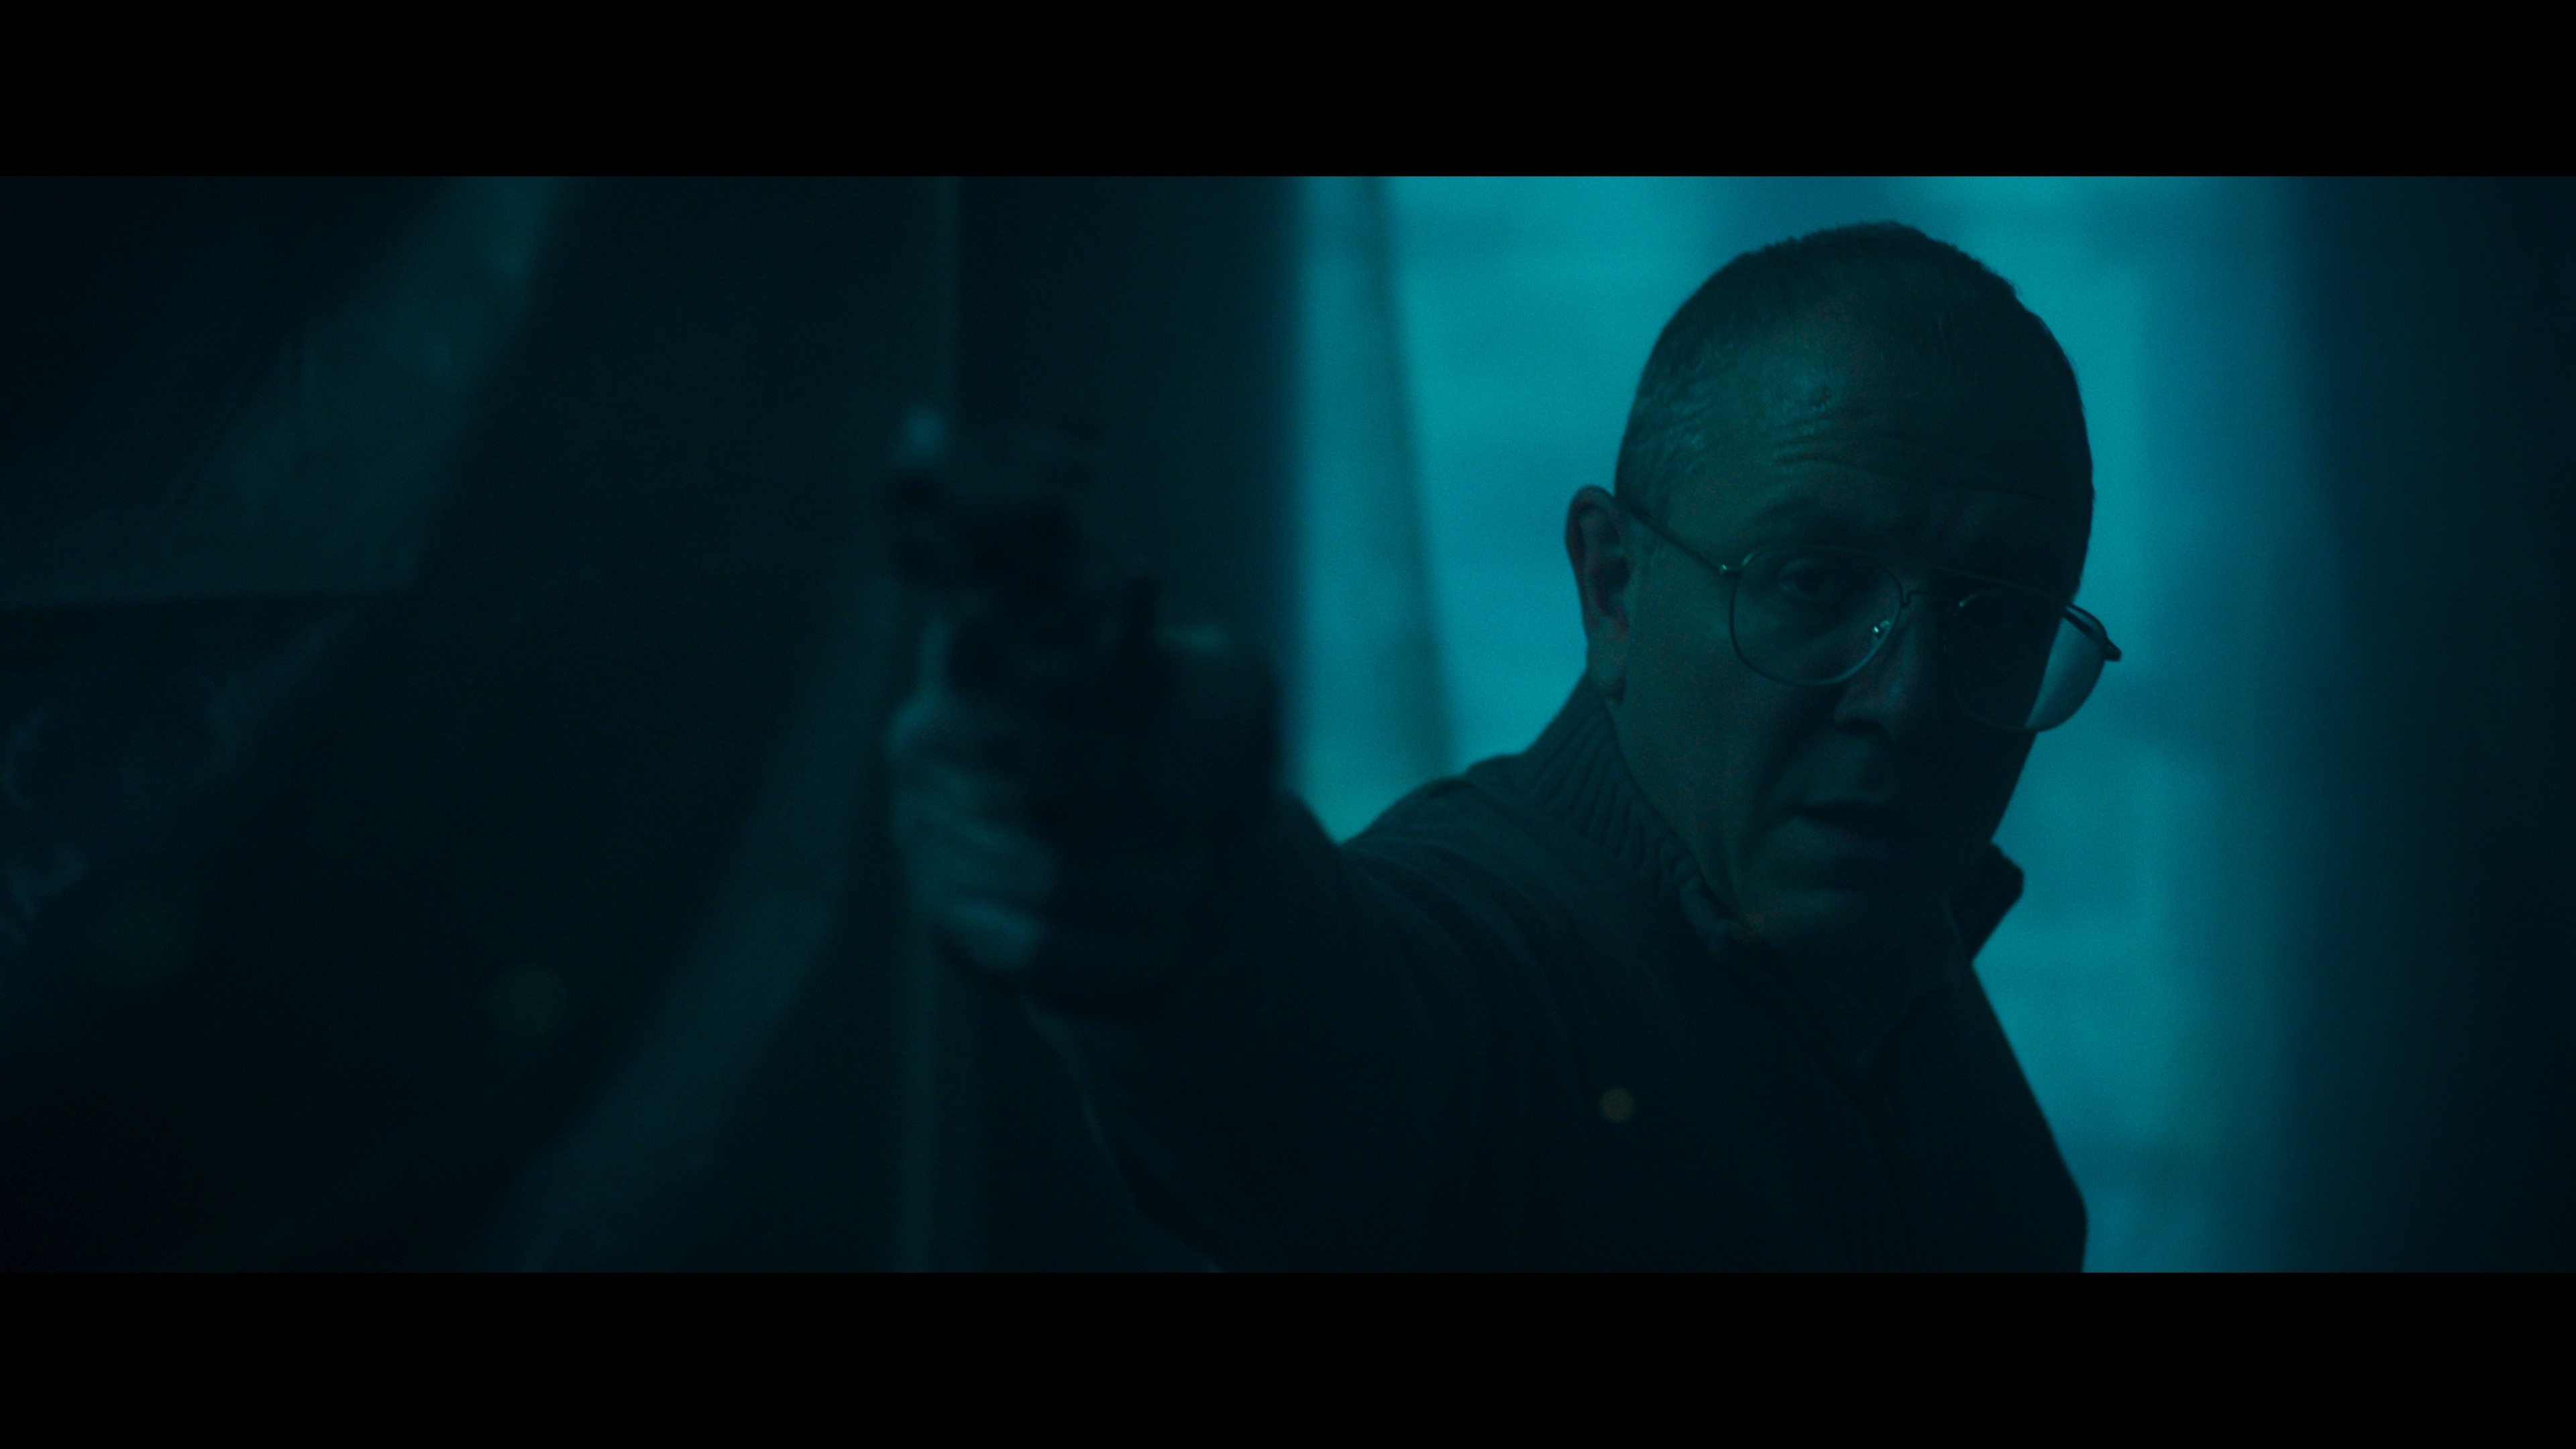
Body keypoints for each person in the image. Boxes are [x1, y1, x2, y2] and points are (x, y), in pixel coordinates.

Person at [889, 222, 2119, 1269]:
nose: (1907, 701)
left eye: (1998, 617)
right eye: (1810, 580)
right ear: (1613, 588)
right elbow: (1331, 1039)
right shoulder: (1498, 971)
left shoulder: (1892, 942)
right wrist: (1179, 890)